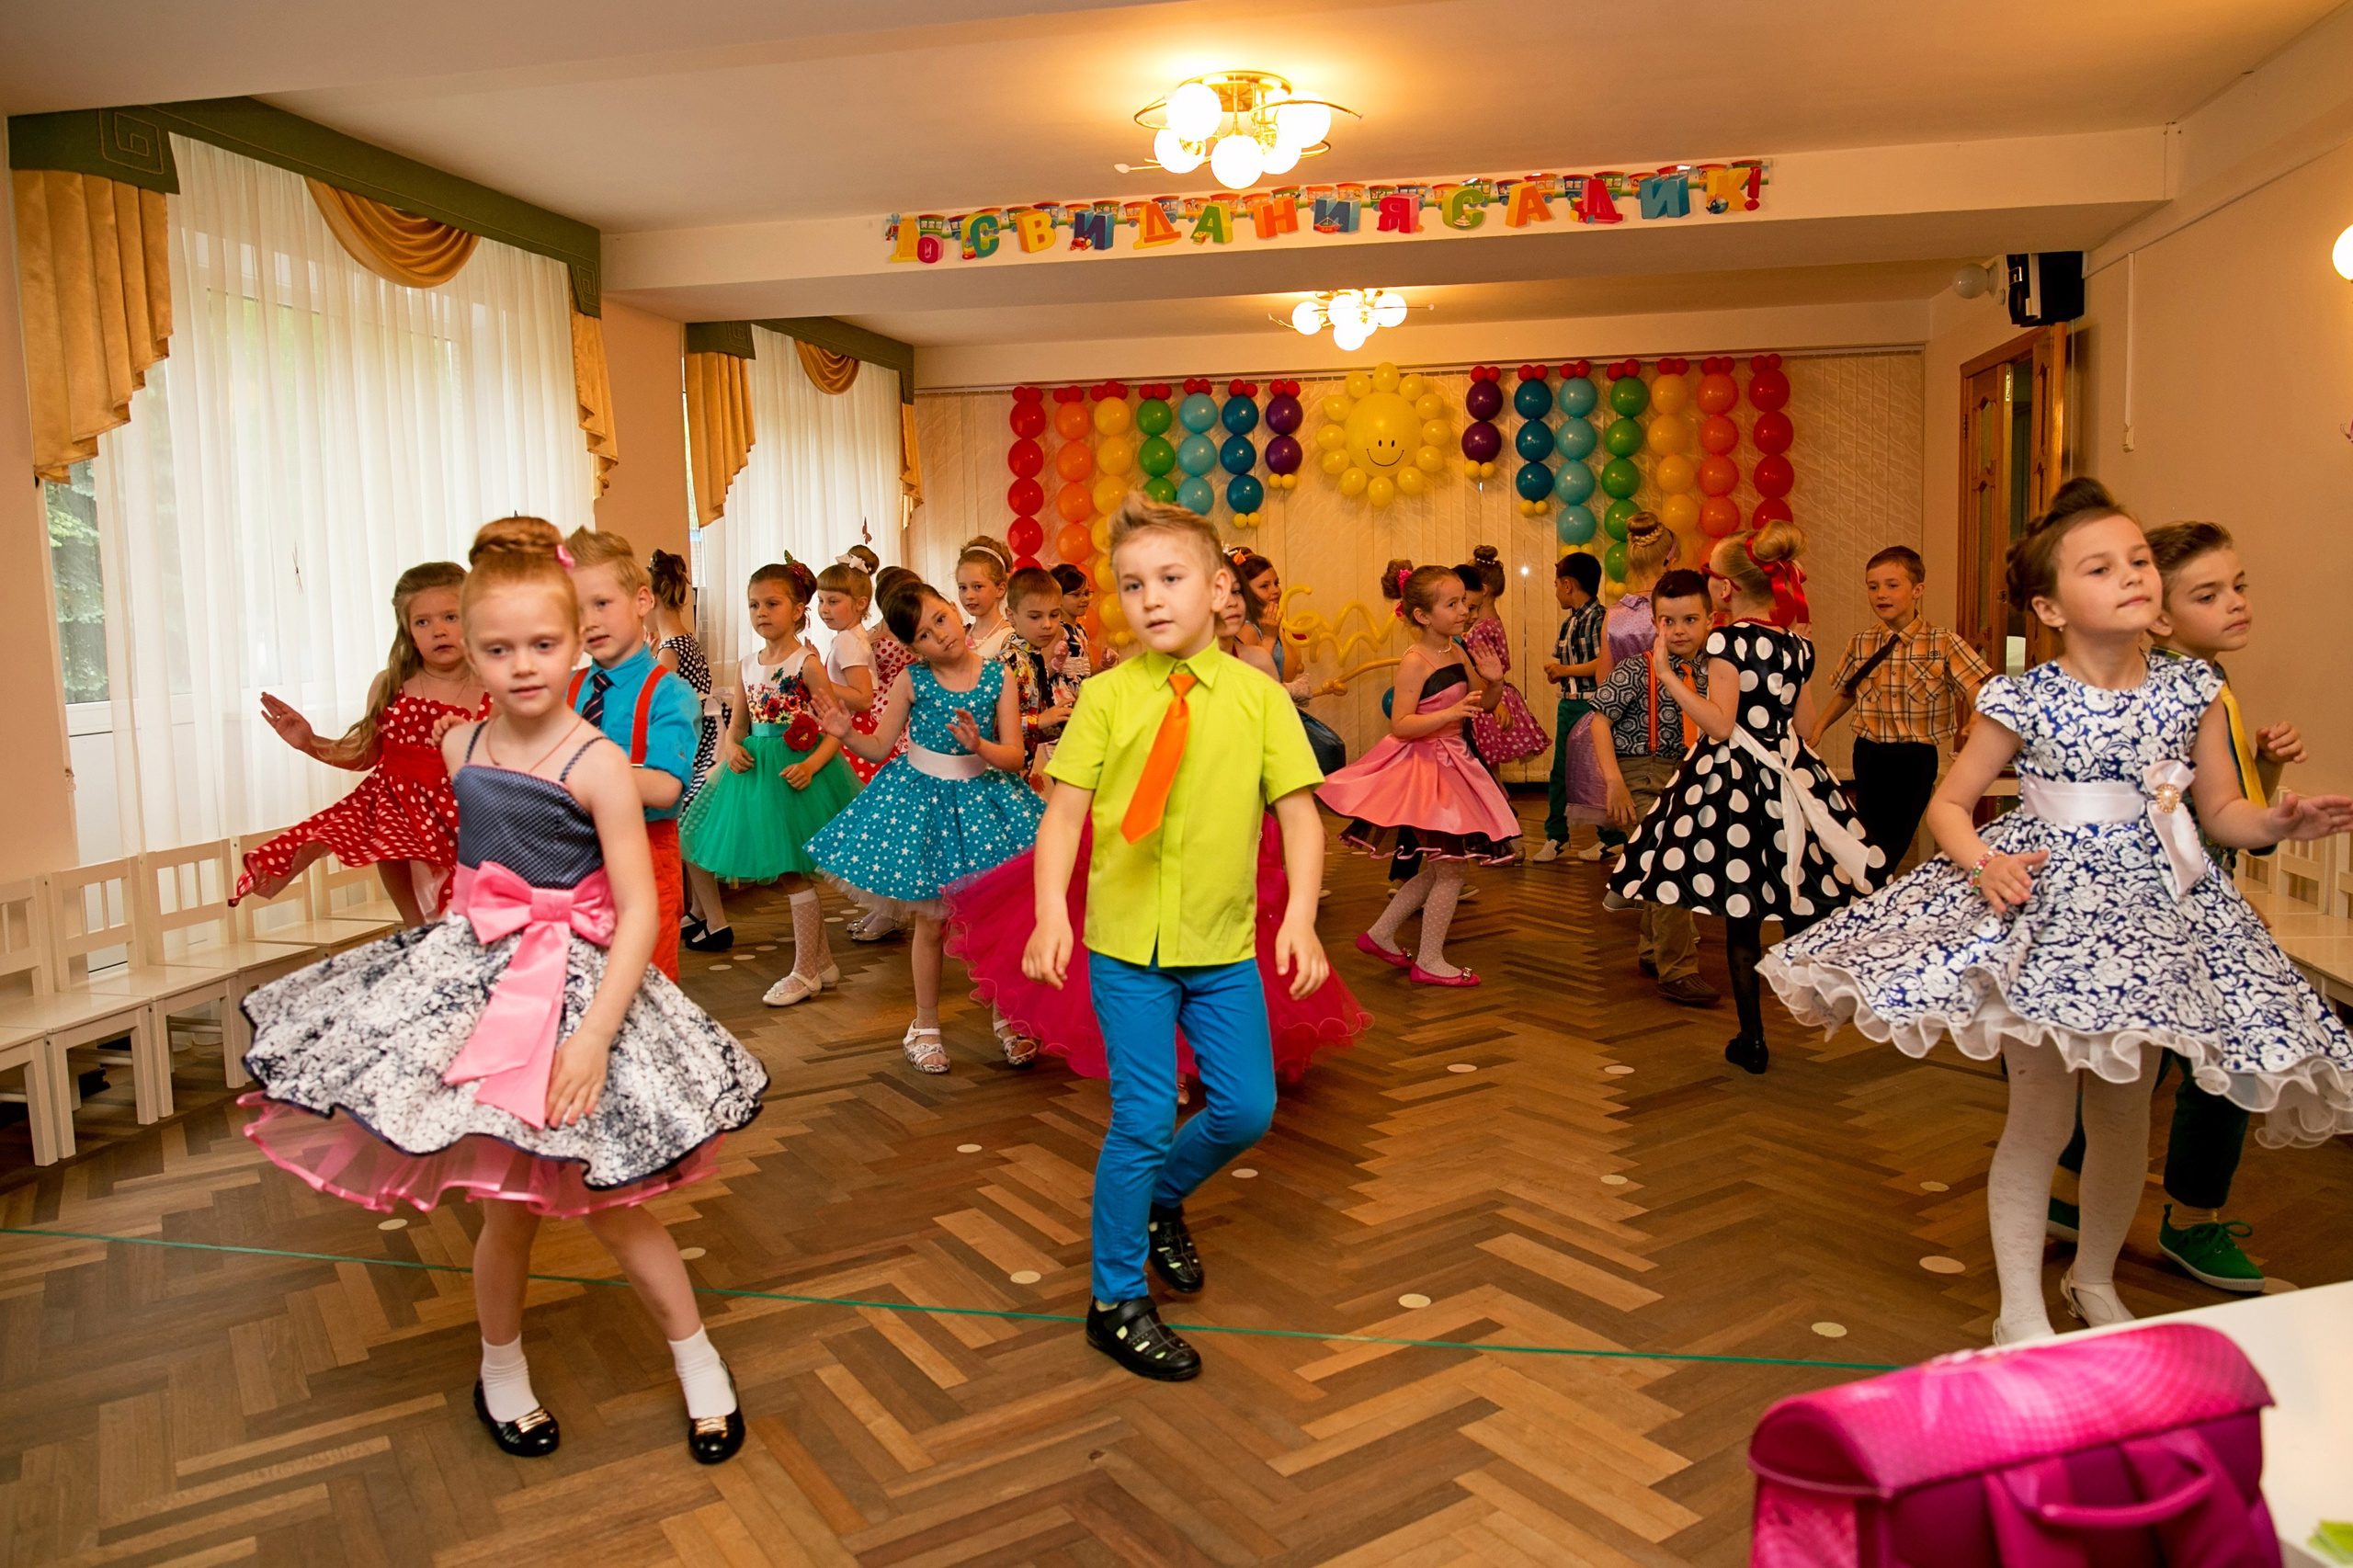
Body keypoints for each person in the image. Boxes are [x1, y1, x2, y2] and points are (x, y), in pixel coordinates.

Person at [1767, 482, 2353, 1344]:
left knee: (2123, 1115)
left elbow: (2224, 813)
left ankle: (2094, 1280)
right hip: (2049, 913)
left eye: (2139, 561)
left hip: (2151, 916)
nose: (2133, 577)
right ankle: (2019, 1311)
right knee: (2041, 1114)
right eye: (2101, 568)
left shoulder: (2192, 689)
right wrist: (1986, 864)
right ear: (2049, 606)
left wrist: (2279, 823)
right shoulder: (2024, 697)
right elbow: (1949, 806)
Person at [238, 516, 767, 1464]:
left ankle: (699, 1362)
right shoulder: (460, 746)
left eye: (544, 644)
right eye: (498, 648)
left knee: (614, 1200)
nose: (523, 666)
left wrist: (594, 1036)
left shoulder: (598, 762)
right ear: (470, 653)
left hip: (579, 991)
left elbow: (638, 912)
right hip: (481, 978)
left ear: (574, 644)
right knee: (504, 1207)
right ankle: (500, 1368)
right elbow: (462, 862)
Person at [1021, 494, 1331, 1381]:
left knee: (1245, 1110)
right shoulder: (1106, 697)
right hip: (1126, 948)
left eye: (1169, 578)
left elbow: (1300, 818)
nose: (1150, 598)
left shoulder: (1259, 699)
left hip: (1222, 946)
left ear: (1219, 588)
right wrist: (1051, 912)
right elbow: (1064, 815)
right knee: (1145, 1115)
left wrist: (1301, 919)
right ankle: (1115, 1300)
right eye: (1132, 585)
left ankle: (1160, 1200)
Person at [943, 589, 1369, 1086]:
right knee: (1147, 995)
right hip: (1134, 858)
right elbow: (1072, 805)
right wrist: (1052, 908)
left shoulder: (1253, 685)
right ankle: (1166, 1068)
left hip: (1222, 846)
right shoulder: (1116, 691)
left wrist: (1299, 911)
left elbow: (1293, 807)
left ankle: (1210, 1059)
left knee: (1241, 1080)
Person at [2050, 518, 2308, 1295]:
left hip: (2193, 901)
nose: (2236, 604)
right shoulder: (2166, 692)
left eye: (2239, 587)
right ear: (2161, 614)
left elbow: (2219, 808)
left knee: (2143, 1059)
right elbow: (2154, 815)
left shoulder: (2205, 687)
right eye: (2209, 594)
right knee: (2208, 1059)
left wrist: (2263, 769)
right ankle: (2187, 1217)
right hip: (2167, 907)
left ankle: (2075, 1196)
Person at [1607, 521, 1881, 1074]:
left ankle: (1752, 1039)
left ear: (1726, 588)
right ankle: (1811, 995)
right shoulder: (1797, 644)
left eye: (1711, 577)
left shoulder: (1726, 642)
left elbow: (1718, 725)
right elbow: (1806, 729)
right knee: (1794, 890)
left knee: (1743, 912)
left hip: (1736, 783)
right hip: (1790, 780)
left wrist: (1668, 675)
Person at [807, 579, 1045, 1072]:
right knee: (932, 923)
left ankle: (1008, 1016)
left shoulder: (998, 676)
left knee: (996, 921)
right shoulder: (911, 680)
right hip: (925, 807)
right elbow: (879, 746)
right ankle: (925, 1025)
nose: (940, 635)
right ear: (913, 647)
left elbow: (1014, 755)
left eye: (940, 619)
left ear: (953, 610)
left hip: (985, 808)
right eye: (924, 635)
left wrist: (979, 745)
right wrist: (846, 733)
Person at [234, 562, 487, 924]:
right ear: (407, 630)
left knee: (477, 925)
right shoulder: (391, 684)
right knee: (420, 929)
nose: (439, 631)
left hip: (468, 820)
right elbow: (364, 754)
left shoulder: (495, 685)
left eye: (451, 617)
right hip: (398, 820)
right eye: (423, 622)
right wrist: (310, 742)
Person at [1320, 561, 1518, 986]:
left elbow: (1483, 703)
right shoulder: (1415, 660)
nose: (1464, 610)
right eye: (1453, 604)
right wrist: (1448, 713)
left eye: (1464, 602)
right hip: (1430, 770)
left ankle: (1381, 934)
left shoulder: (1456, 649)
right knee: (1452, 868)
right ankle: (1429, 960)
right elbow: (1401, 724)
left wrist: (1495, 683)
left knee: (1444, 867)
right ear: (1422, 616)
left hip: (1456, 762)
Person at [678, 561, 861, 1008]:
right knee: (786, 871)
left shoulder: (807, 664)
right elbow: (737, 727)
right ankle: (821, 963)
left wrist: (812, 765)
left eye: (772, 604)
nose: (761, 612)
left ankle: (804, 971)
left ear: (798, 610)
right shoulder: (747, 665)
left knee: (792, 873)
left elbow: (836, 728)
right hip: (757, 777)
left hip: (796, 776)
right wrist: (731, 748)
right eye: (753, 605)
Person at [563, 528, 702, 983]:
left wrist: (584, 774)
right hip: (572, 859)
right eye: (576, 610)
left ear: (643, 600)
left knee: (644, 987)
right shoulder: (566, 690)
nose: (589, 621)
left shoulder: (668, 692)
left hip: (643, 856)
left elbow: (664, 788)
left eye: (601, 604)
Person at [1809, 546, 1992, 885]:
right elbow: (1846, 693)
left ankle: (1871, 895)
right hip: (1869, 754)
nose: (1881, 594)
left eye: (1892, 585)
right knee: (1869, 835)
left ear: (1917, 590)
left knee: (1892, 841)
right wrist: (1818, 728)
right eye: (1873, 586)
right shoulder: (1862, 643)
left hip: (1914, 758)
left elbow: (1973, 685)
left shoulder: (1942, 642)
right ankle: (1870, 896)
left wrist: (1979, 715)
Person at [1588, 570, 1719, 1008]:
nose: (1679, 630)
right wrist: (1614, 782)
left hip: (1691, 776)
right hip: (1640, 775)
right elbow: (1600, 722)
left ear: (1710, 620)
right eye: (1668, 621)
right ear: (1654, 623)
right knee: (1670, 863)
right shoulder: (1635, 668)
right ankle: (1678, 970)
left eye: (1690, 620)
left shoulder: (1715, 672)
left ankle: (1652, 949)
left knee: (1663, 864)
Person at [1563, 514, 1679, 860]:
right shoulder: (1678, 614)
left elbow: (1605, 683)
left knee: (1645, 835)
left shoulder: (1615, 615)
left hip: (1628, 739)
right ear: (1670, 560)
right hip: (1675, 731)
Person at [650, 550, 733, 954]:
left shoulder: (670, 647)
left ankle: (716, 921)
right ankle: (699, 911)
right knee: (687, 826)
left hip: (698, 744)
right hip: (702, 738)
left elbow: (657, 701)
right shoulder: (681, 640)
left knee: (687, 830)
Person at [846, 565, 920, 945]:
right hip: (879, 720)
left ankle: (893, 912)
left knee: (894, 829)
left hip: (902, 727)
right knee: (881, 828)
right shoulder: (872, 631)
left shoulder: (911, 633)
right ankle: (885, 908)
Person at [1231, 548, 1348, 775]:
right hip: (1260, 721)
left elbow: (1287, 670)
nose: (1275, 590)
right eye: (1264, 586)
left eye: (1276, 583)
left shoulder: (1272, 622)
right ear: (1244, 591)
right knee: (1326, 753)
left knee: (1331, 749)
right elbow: (1255, 683)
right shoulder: (1247, 630)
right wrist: (1269, 637)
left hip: (1280, 710)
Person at [1534, 551, 1608, 863]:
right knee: (1561, 773)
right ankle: (1556, 836)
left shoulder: (1601, 618)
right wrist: (1560, 673)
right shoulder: (1569, 623)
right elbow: (1573, 664)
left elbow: (1604, 663)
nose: (1554, 592)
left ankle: (1612, 838)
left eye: (1555, 585)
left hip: (1592, 706)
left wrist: (1566, 670)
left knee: (1598, 773)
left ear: (1567, 585)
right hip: (1569, 704)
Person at [1458, 546, 1551, 779]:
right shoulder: (1491, 622)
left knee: (1483, 767)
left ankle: (1496, 800)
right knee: (1487, 769)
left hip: (1486, 693)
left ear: (1483, 590)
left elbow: (1480, 669)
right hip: (1490, 692)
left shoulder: (1482, 628)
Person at [999, 564, 1086, 785]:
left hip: (1020, 773)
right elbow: (991, 723)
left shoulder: (1032, 657)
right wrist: (1041, 720)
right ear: (1011, 616)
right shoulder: (1008, 663)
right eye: (1035, 617)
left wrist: (1059, 720)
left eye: (1054, 615)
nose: (1047, 625)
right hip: (1000, 777)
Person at [815, 555, 881, 783]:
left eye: (833, 602)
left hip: (850, 727)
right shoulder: (854, 635)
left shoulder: (846, 640)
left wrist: (816, 681)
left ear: (860, 604)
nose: (824, 609)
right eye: (820, 601)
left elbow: (863, 699)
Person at [956, 537, 1016, 659]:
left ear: (1000, 589)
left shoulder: (1009, 641)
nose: (969, 596)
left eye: (977, 587)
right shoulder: (962, 634)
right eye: (963, 587)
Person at [1052, 562, 1099, 673]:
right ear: (1058, 596)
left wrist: (1103, 665)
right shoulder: (1055, 630)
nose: (1085, 599)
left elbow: (1089, 669)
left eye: (1086, 593)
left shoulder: (1081, 630)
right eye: (1076, 595)